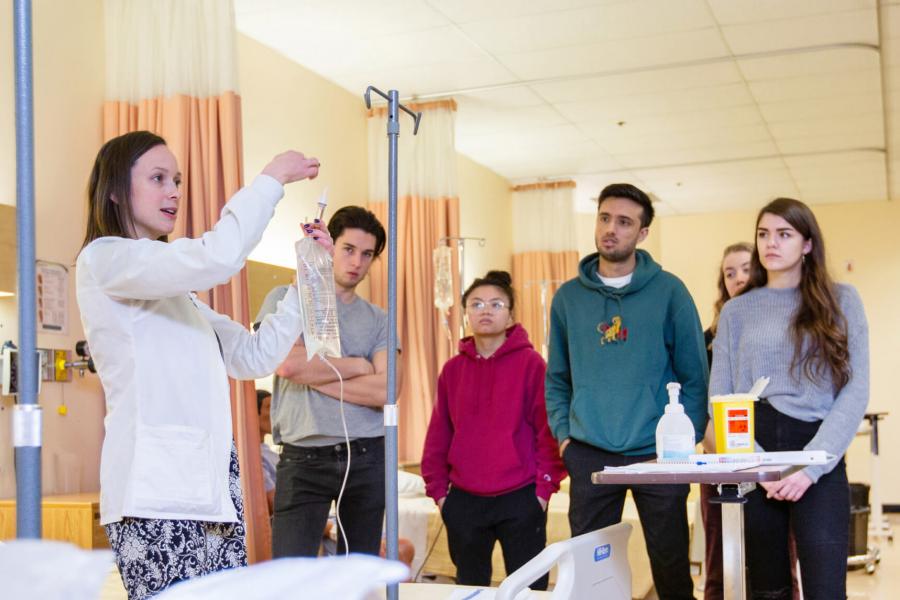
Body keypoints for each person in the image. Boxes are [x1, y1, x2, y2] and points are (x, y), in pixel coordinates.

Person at [76, 130, 327, 600]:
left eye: (177, 180)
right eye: (158, 178)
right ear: (115, 190)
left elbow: (252, 356)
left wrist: (306, 279)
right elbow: (217, 256)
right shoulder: (104, 259)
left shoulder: (180, 297)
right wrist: (271, 180)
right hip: (153, 495)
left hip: (212, 493)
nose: (174, 191)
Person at [545, 183, 708, 600]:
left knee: (671, 568)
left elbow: (695, 375)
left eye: (624, 222)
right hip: (589, 451)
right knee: (591, 574)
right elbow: (557, 377)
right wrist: (565, 438)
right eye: (604, 218)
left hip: (659, 453)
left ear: (642, 232)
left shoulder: (670, 292)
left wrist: (683, 441)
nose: (611, 229)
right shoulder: (568, 299)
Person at [709, 198, 869, 600]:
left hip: (818, 452)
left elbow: (855, 390)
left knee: (826, 589)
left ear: (807, 244)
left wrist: (808, 469)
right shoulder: (736, 311)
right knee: (768, 589)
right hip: (755, 452)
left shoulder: (842, 300)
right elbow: (720, 397)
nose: (771, 243)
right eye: (763, 234)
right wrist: (760, 465)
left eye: (784, 234)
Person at [257, 205, 398, 558]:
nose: (356, 262)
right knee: (292, 574)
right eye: (348, 249)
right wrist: (359, 365)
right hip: (303, 455)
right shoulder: (285, 299)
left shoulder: (380, 319)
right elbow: (286, 364)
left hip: (367, 453)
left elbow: (387, 390)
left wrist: (313, 372)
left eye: (367, 254)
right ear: (329, 246)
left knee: (359, 574)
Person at [421, 270, 566, 589]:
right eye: (476, 304)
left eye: (496, 304)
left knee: (529, 589)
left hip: (521, 496)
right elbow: (439, 435)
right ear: (466, 313)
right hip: (464, 501)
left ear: (510, 315)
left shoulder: (532, 365)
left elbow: (547, 432)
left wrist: (543, 491)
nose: (485, 310)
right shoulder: (452, 370)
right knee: (470, 588)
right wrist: (440, 494)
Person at [698, 242, 752, 600]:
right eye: (730, 273)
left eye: (746, 269)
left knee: (776, 561)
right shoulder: (708, 340)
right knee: (719, 561)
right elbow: (699, 401)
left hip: (767, 459)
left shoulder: (777, 332)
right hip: (717, 457)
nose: (738, 279)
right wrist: (716, 447)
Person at [257, 389, 279, 515]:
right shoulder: (254, 457)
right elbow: (273, 502)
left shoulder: (268, 452)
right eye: (269, 407)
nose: (274, 414)